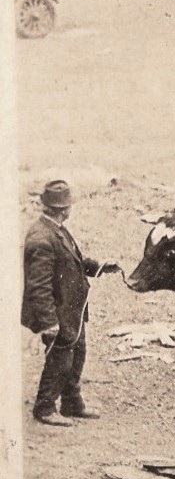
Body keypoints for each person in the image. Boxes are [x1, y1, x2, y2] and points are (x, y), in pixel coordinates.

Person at [22, 180, 119, 426]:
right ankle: (44, 407)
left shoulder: (57, 229)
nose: (71, 208)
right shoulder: (41, 238)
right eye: (69, 205)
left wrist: (98, 267)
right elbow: (39, 286)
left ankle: (72, 403)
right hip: (58, 311)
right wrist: (48, 322)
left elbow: (73, 260)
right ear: (62, 208)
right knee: (60, 358)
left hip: (72, 309)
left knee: (78, 353)